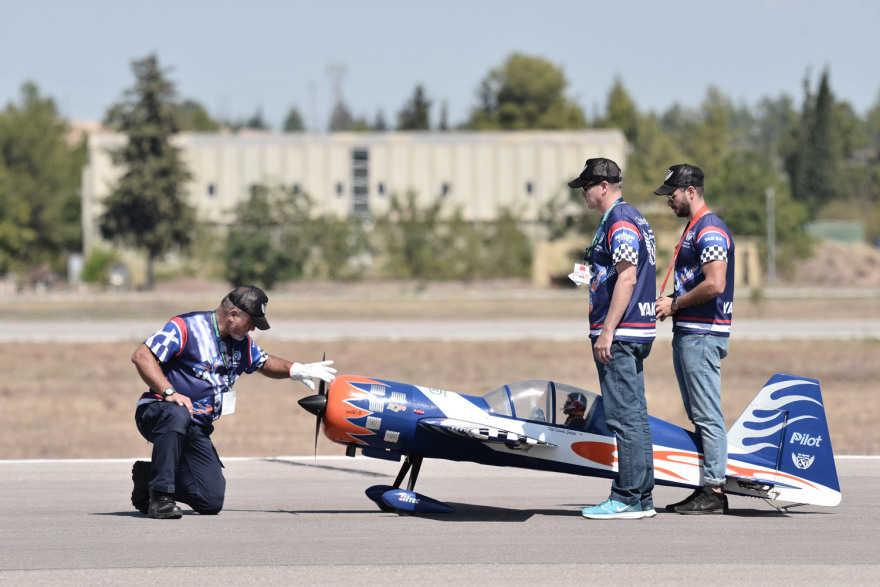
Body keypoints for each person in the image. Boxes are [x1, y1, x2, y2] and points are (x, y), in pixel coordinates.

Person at [130, 285, 336, 519]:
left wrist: (295, 369)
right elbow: (142, 355)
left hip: (196, 426)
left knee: (210, 500)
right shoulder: (186, 327)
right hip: (159, 411)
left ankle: (149, 476)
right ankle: (160, 499)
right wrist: (169, 392)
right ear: (233, 314)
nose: (254, 328)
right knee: (177, 413)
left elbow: (264, 362)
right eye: (251, 322)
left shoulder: (241, 342)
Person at [569, 158, 658, 520]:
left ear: (604, 186)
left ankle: (627, 497)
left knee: (623, 418)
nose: (585, 195)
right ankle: (642, 496)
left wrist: (607, 331)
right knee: (635, 416)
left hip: (620, 334)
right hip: (632, 329)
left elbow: (627, 277)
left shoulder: (620, 221)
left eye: (587, 188)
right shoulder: (630, 218)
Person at [654, 164, 735, 515]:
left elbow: (715, 283)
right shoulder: (694, 229)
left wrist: (674, 304)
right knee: (698, 413)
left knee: (706, 414)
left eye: (671, 195)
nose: (668, 201)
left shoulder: (710, 229)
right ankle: (706, 484)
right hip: (690, 332)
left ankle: (715, 490)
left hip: (703, 333)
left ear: (691, 191)